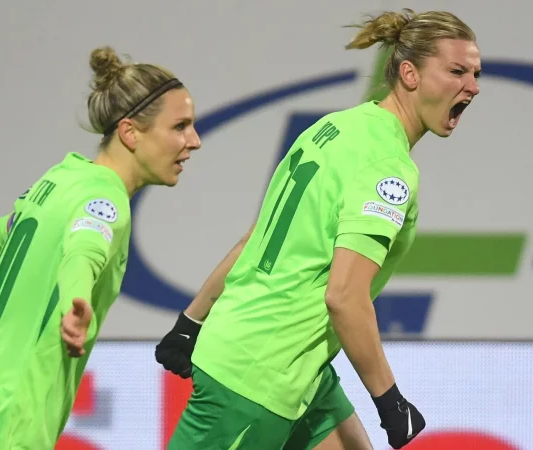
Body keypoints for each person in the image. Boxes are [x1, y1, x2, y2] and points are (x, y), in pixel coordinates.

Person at [155, 8, 480, 450]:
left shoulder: (332, 128)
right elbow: (345, 297)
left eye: (476, 73)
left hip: (294, 363)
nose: (473, 86)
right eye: (457, 71)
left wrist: (192, 319)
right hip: (256, 377)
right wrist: (389, 399)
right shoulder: (388, 168)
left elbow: (259, 237)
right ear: (410, 74)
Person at [0, 45, 201, 450]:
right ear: (131, 132)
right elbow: (83, 253)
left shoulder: (63, 178)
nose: (195, 141)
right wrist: (76, 303)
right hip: (5, 428)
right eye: (181, 126)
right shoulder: (108, 203)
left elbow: (6, 229)